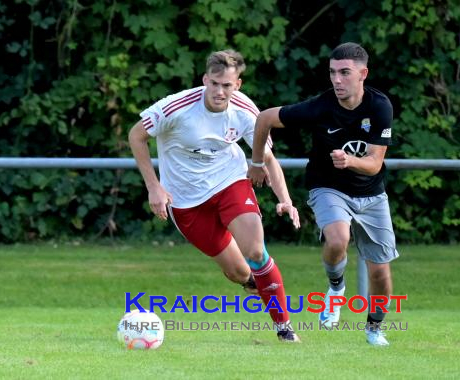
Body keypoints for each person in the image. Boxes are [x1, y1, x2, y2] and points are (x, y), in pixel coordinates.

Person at [128, 49, 301, 343]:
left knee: (256, 251)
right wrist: (154, 187)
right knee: (237, 272)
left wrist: (285, 199)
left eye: (227, 86)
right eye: (215, 84)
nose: (220, 92)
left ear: (238, 85)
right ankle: (257, 282)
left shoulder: (246, 110)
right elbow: (136, 135)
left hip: (230, 181)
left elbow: (268, 158)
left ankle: (285, 330)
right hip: (185, 201)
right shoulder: (177, 107)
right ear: (205, 80)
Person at [248, 42, 399, 346]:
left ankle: (373, 328)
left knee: (380, 273)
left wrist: (350, 161)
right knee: (337, 238)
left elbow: (373, 165)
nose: (337, 80)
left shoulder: (379, 106)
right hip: (328, 188)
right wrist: (256, 162)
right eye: (332, 73)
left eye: (345, 73)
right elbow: (264, 118)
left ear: (363, 74)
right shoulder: (320, 106)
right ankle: (336, 287)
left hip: (371, 194)